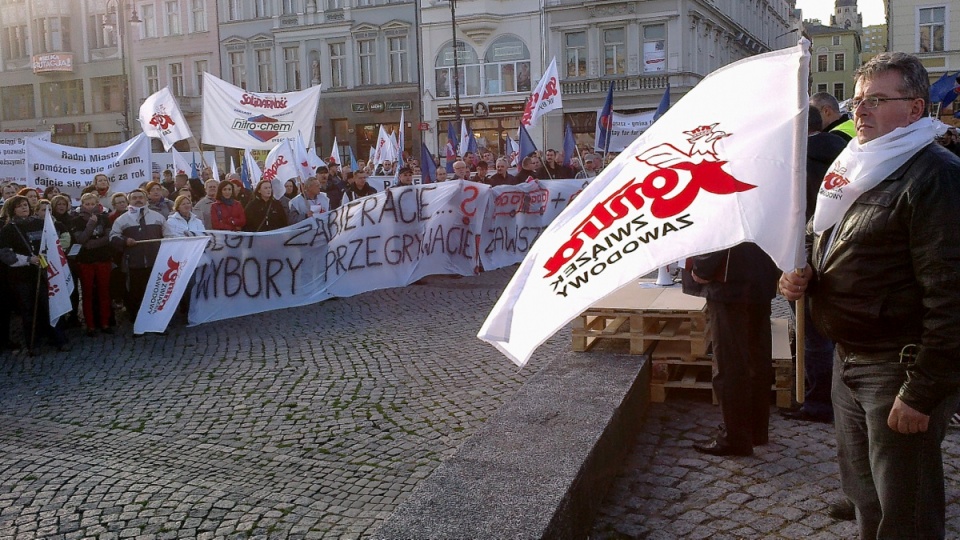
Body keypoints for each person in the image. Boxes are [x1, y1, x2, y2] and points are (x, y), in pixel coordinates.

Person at [780, 52, 960, 539]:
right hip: (848, 358)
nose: (860, 110)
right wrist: (804, 278)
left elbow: (951, 294)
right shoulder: (858, 162)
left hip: (897, 365)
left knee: (907, 510)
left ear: (916, 108)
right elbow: (832, 243)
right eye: (858, 100)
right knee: (866, 497)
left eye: (878, 100)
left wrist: (921, 391)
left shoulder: (935, 174)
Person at [781, 106, 847, 425]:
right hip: (837, 253)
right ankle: (821, 394)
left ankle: (818, 402)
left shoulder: (798, 161)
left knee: (812, 334)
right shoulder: (845, 153)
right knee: (824, 332)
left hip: (805, 254)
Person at [683, 243, 780, 457]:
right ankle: (755, 431)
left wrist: (702, 267)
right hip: (761, 270)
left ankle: (735, 437)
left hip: (729, 278)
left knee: (730, 361)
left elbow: (720, 226)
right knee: (756, 355)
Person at [0, 195, 68, 352]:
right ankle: (33, 343)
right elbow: (5, 255)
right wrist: (28, 259)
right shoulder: (8, 230)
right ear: (12, 210)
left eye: (25, 205)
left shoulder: (40, 223)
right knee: (28, 310)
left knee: (50, 306)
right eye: (19, 206)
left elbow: (52, 242)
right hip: (21, 276)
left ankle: (58, 339)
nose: (24, 208)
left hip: (44, 273)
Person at [109, 189, 165, 329]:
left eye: (141, 197)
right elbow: (113, 237)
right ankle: (137, 321)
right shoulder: (122, 219)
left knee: (154, 292)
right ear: (130, 201)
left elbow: (169, 236)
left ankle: (156, 321)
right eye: (134, 198)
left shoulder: (158, 217)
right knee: (135, 293)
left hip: (155, 263)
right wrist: (125, 240)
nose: (138, 200)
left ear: (146, 199)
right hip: (134, 264)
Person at [73, 193, 115, 337]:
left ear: (98, 204)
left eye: (93, 204)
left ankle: (105, 322)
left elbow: (108, 237)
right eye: (87, 204)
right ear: (82, 205)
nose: (90, 207)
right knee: (87, 293)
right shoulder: (77, 220)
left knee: (104, 292)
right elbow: (80, 239)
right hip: (86, 261)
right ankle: (90, 325)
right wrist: (91, 224)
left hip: (103, 259)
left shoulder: (104, 218)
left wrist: (91, 244)